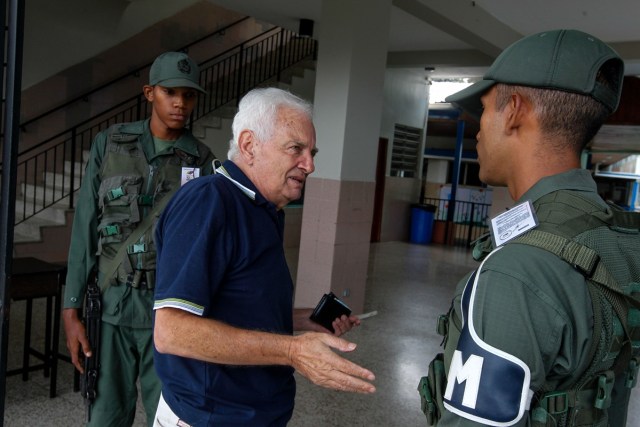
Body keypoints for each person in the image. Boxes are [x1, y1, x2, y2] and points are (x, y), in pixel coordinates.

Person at [417, 30, 640, 426]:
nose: (478, 131)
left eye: (483, 112)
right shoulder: (619, 236)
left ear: (516, 110)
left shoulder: (516, 271)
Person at [152, 87, 376, 426]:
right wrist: (292, 350)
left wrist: (301, 319)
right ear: (248, 146)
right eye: (296, 149)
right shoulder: (209, 201)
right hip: (210, 417)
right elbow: (172, 332)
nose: (310, 165)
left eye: (311, 152)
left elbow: (235, 303)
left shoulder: (263, 208)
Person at [63, 51, 216, 426]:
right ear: (149, 93)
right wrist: (71, 310)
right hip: (111, 308)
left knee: (170, 417)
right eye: (170, 92)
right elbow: (85, 227)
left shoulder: (202, 161)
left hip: (168, 313)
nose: (181, 103)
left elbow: (205, 245)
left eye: (189, 95)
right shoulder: (110, 145)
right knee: (105, 416)